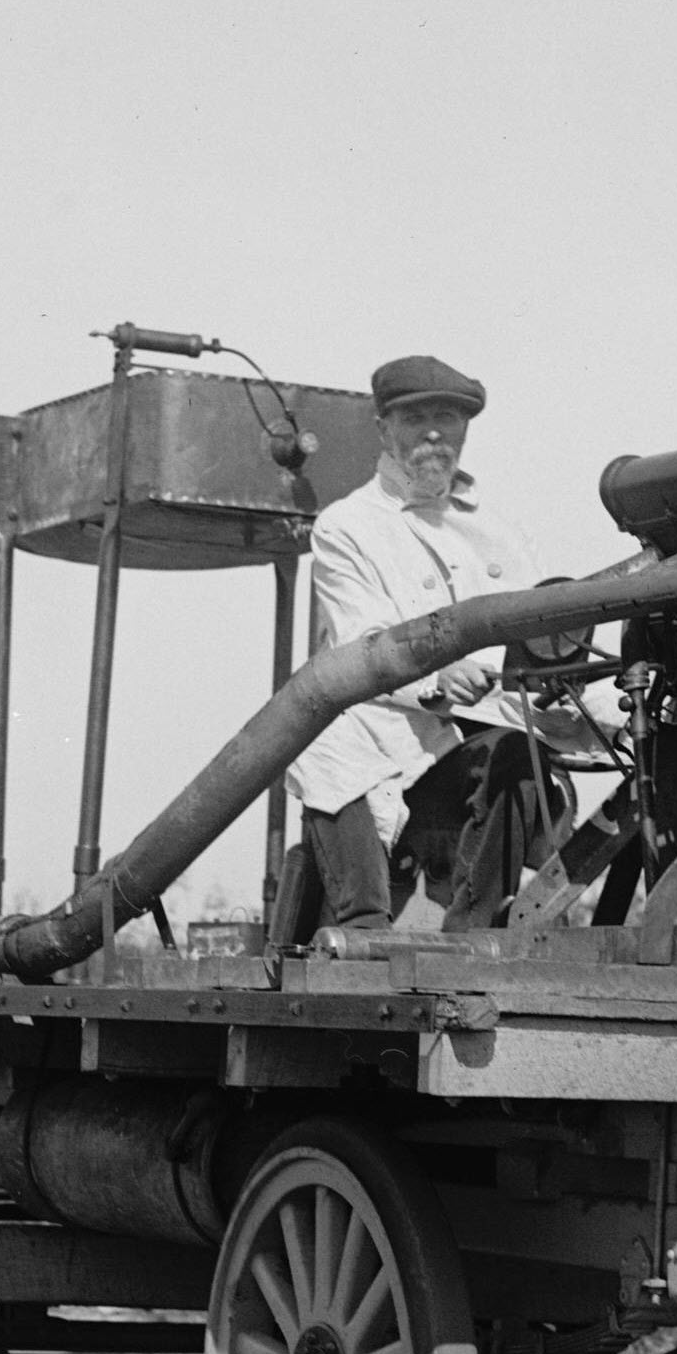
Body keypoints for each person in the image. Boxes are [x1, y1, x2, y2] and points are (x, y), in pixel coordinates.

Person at [274, 353, 592, 940]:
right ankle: (361, 925)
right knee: (323, 741)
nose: (433, 433)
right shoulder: (348, 527)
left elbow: (540, 644)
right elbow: (360, 641)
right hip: (386, 731)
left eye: (447, 418)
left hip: (480, 737)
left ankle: (470, 936)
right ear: (383, 429)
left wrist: (596, 711)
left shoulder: (502, 534)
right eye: (415, 417)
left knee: (520, 755)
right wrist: (437, 679)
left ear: (466, 429)